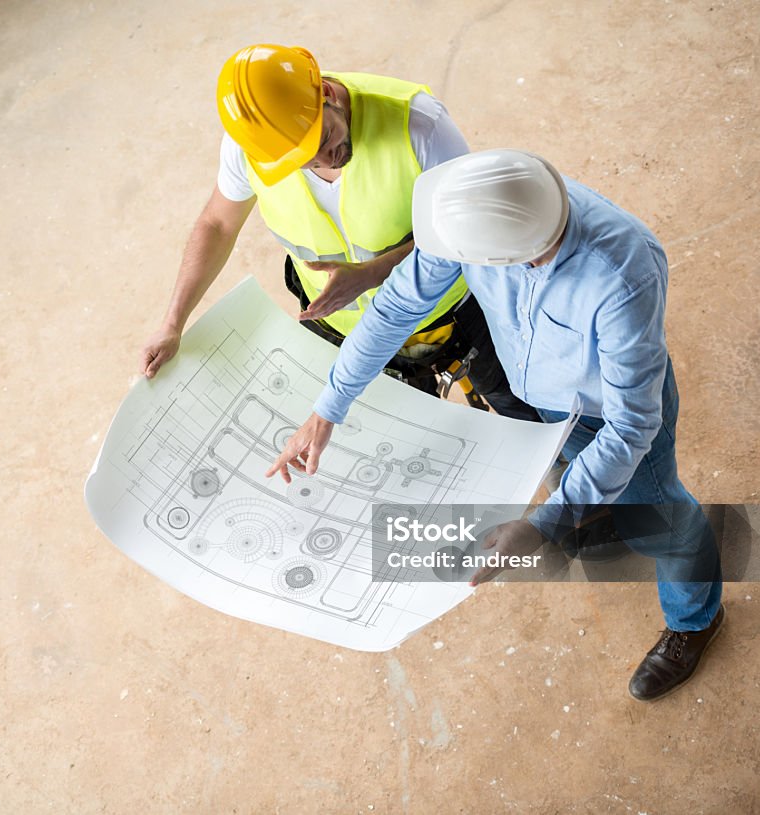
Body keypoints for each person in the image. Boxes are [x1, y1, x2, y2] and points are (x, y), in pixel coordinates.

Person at [267, 149, 723, 702]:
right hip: (546, 396)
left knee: (665, 516)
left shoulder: (622, 273)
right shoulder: (469, 209)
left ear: (521, 254)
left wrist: (544, 525)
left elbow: (631, 427)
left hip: (608, 410)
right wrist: (327, 408)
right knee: (577, 476)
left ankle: (695, 620)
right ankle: (597, 511)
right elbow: (394, 309)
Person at [139, 44, 537, 420]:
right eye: (301, 160)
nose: (323, 159)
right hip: (342, 328)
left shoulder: (418, 124)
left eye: (324, 138)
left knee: (512, 398)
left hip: (448, 310)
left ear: (326, 92)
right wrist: (172, 323)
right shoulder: (257, 147)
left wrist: (370, 274)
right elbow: (217, 223)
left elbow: (473, 226)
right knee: (383, 428)